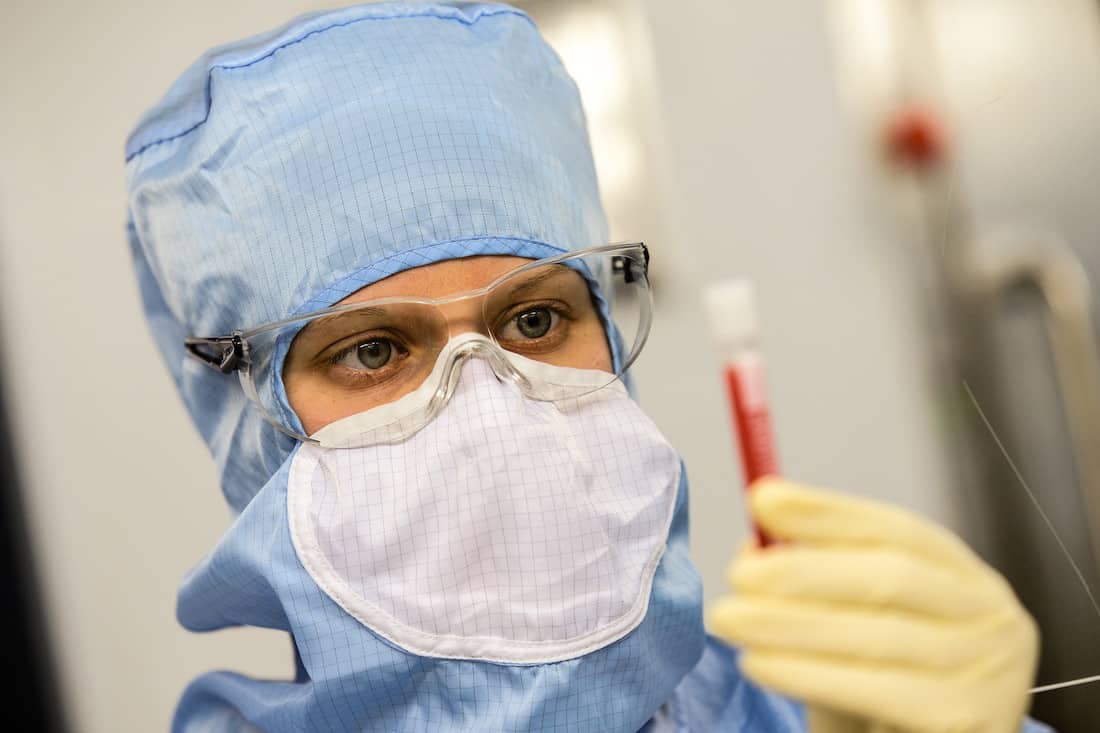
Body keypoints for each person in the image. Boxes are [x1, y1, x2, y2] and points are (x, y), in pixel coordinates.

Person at [125, 3, 1052, 731]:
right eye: (374, 351)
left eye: (534, 318)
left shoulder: (834, 716)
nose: (488, 412)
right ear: (249, 426)